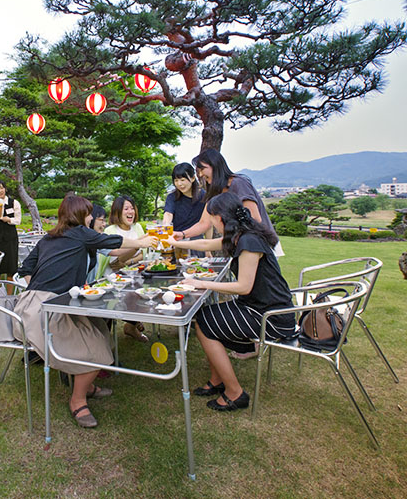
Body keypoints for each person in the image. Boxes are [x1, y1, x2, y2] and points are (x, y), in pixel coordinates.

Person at [15, 194, 156, 428]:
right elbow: (112, 241)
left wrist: (38, 288)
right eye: (89, 213)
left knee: (100, 329)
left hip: (36, 304)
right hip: (46, 308)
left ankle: (87, 385)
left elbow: (26, 269)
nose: (91, 217)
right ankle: (77, 400)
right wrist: (141, 242)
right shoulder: (79, 232)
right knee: (97, 348)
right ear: (80, 216)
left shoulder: (49, 237)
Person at [169, 193, 296, 412]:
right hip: (260, 306)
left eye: (211, 219)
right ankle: (217, 379)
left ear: (220, 218)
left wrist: (201, 283)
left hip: (271, 316)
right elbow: (208, 242)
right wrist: (175, 241)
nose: (210, 224)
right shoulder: (241, 235)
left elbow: (243, 287)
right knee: (204, 317)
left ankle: (235, 393)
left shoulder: (248, 241)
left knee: (205, 323)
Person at [174, 149, 283, 257]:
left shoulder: (238, 183)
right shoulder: (214, 191)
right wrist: (182, 234)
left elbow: (254, 218)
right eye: (199, 171)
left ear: (215, 165)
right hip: (240, 244)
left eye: (202, 169)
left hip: (259, 243)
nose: (201, 174)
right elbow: (204, 223)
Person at [97, 195, 148, 342]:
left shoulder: (137, 227)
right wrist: (138, 246)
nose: (130, 211)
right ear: (118, 212)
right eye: (126, 208)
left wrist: (130, 260)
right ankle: (104, 338)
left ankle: (131, 326)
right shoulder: (111, 231)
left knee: (145, 292)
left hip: (135, 275)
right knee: (131, 293)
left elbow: (142, 254)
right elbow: (115, 263)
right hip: (114, 279)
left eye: (132, 208)